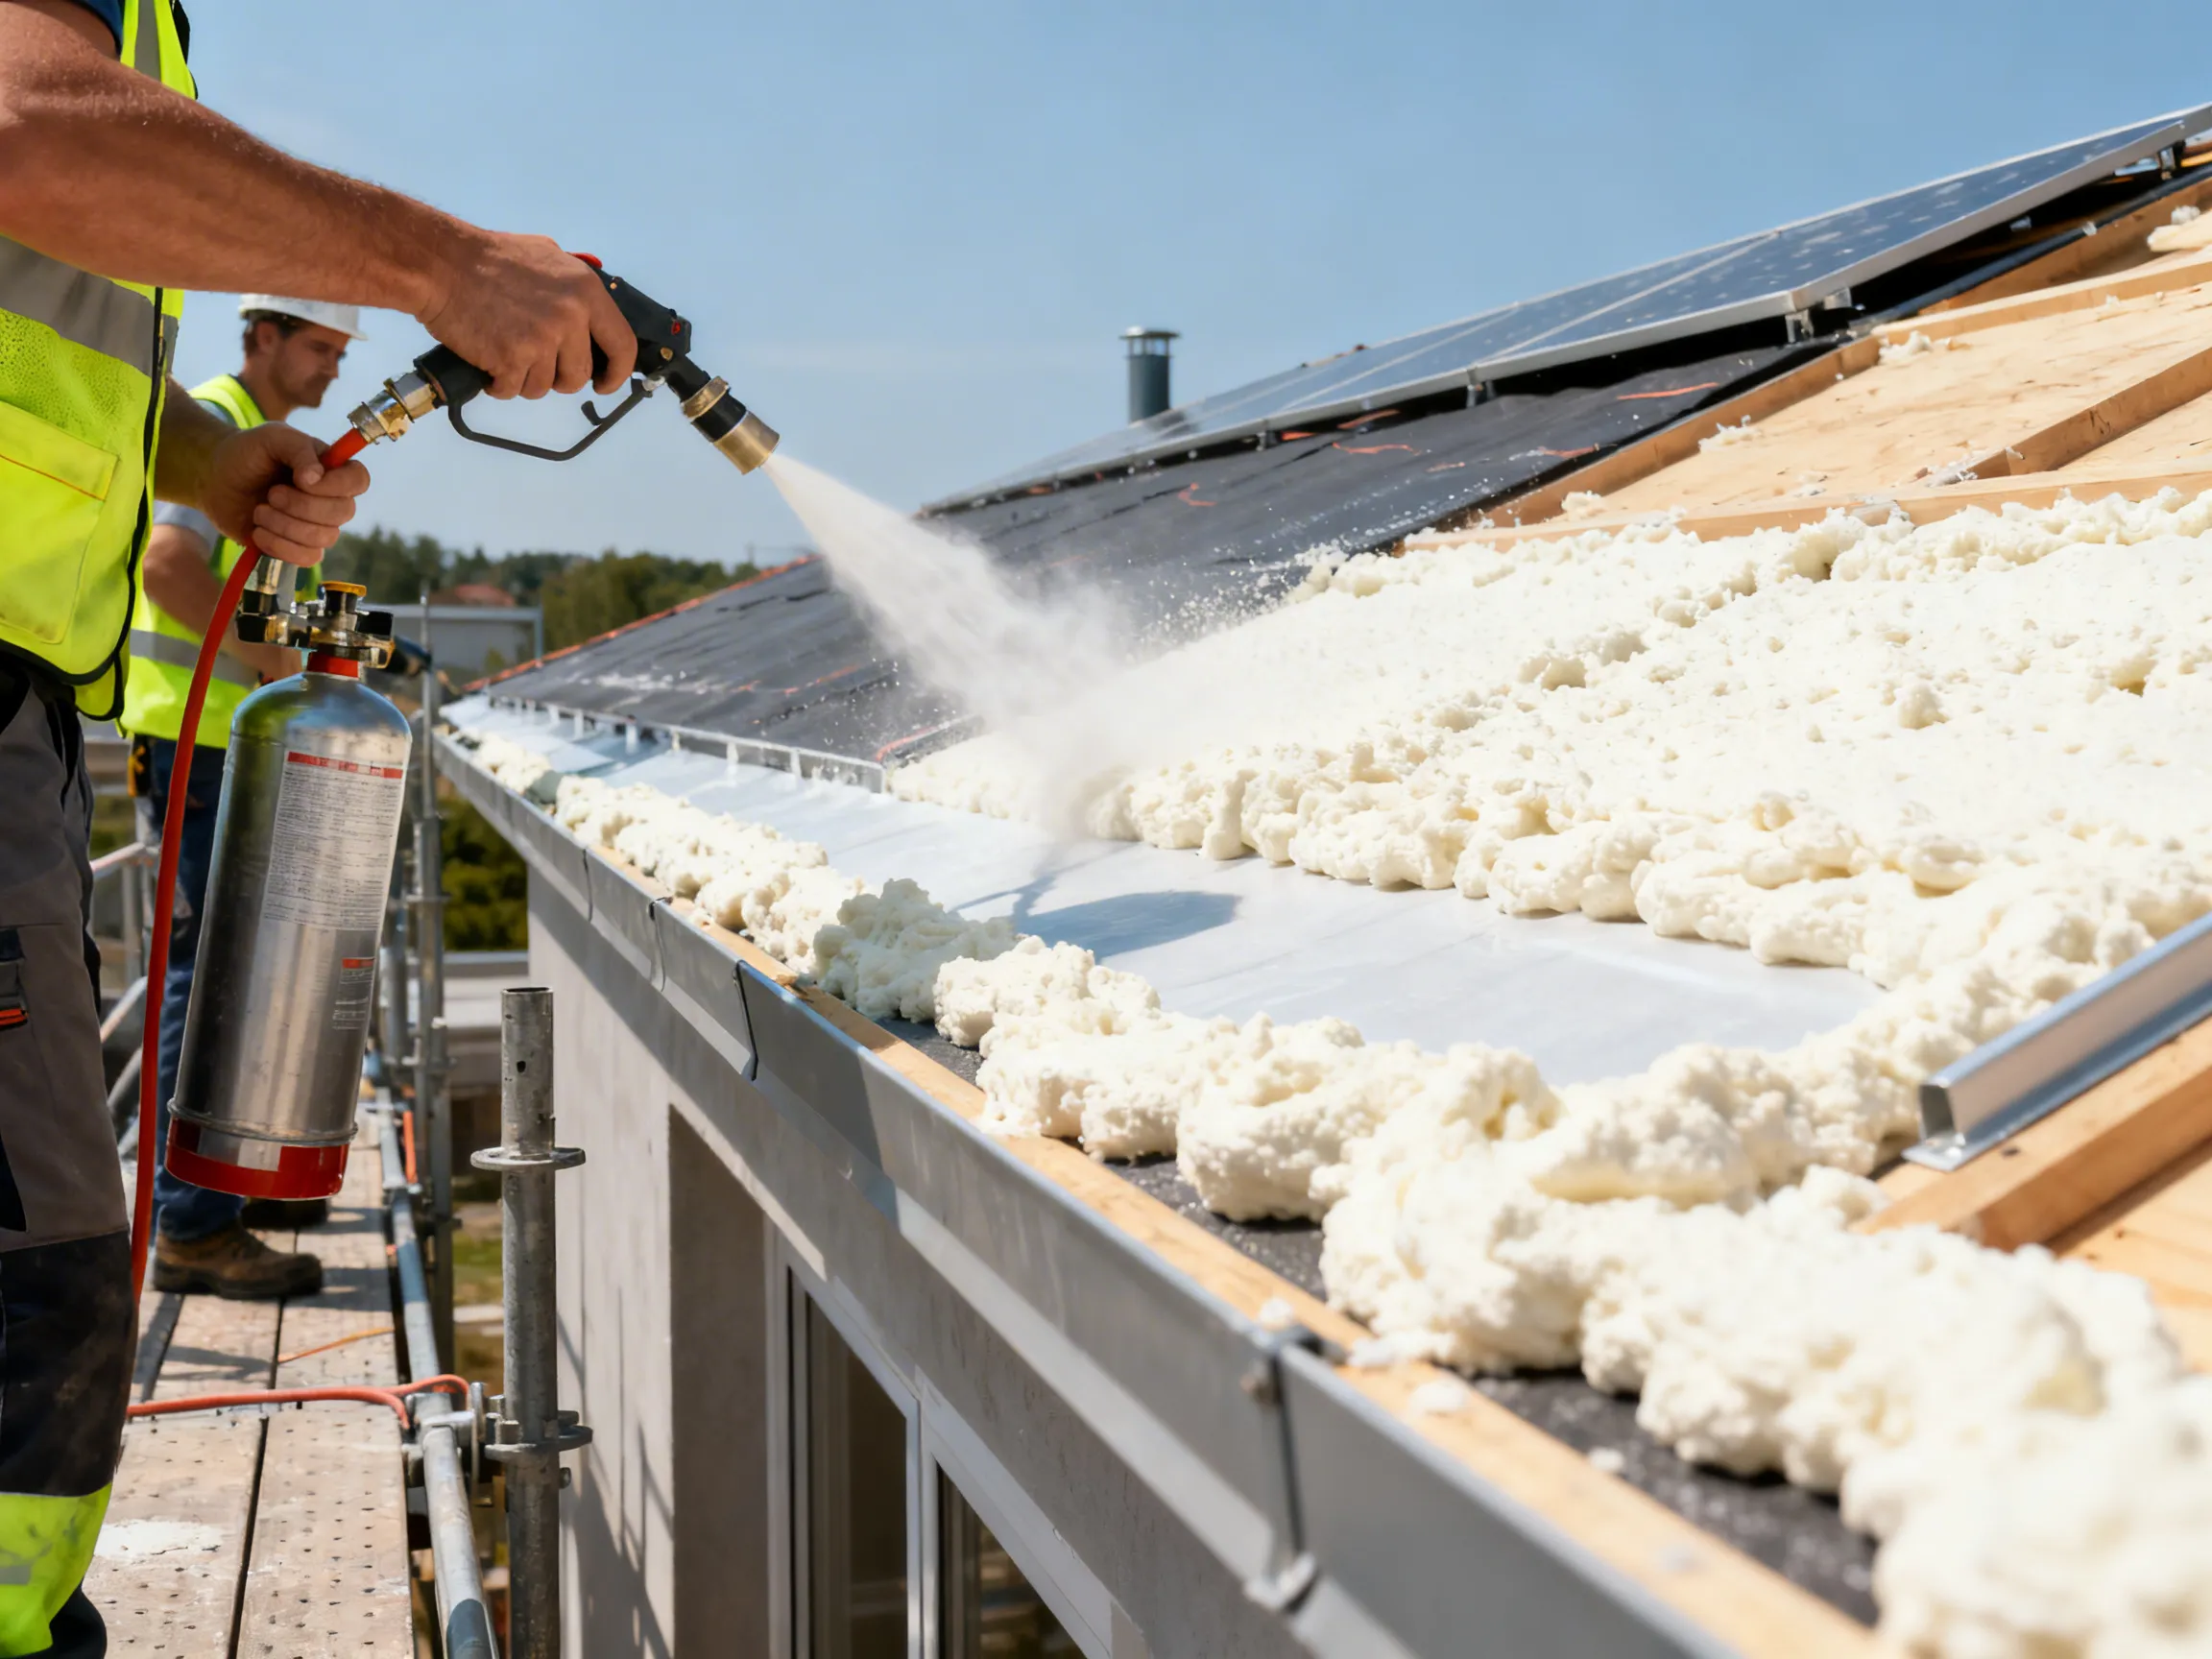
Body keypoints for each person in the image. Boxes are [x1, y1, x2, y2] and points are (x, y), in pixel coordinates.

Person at [0, 0, 638, 1649]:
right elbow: (25, 128)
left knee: (48, 1256)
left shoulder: (143, 17)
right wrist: (441, 269)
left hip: (34, 708)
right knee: (35, 1273)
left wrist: (210, 461)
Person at [128, 297, 371, 1300]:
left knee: (249, 973)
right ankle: (189, 1225)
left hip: (238, 741)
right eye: (321, 347)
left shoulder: (260, 441)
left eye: (342, 352)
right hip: (198, 740)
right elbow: (171, 563)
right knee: (210, 975)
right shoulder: (213, 427)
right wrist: (265, 662)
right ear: (263, 335)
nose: (332, 370)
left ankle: (229, 1186)